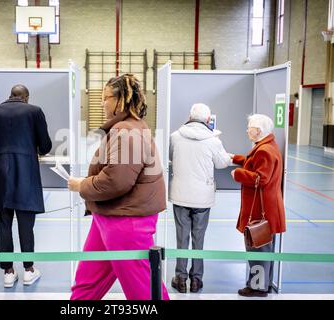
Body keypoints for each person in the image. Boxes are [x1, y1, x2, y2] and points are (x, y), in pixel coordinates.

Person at [67, 74, 170, 300]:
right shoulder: (126, 129)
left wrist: (81, 185)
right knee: (87, 284)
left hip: (126, 221)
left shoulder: (127, 132)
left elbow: (117, 181)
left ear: (121, 100)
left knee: (143, 290)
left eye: (106, 98)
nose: (102, 103)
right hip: (109, 216)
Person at [0, 85, 52, 288]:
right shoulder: (35, 111)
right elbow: (46, 146)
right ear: (26, 97)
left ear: (10, 96)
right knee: (26, 223)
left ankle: (8, 272)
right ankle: (29, 270)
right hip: (25, 172)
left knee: (4, 223)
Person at [169, 103, 232, 293]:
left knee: (182, 238)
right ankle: (196, 280)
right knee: (199, 238)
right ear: (207, 120)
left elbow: (170, 157)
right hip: (202, 198)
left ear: (190, 116)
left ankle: (180, 279)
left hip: (180, 195)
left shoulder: (175, 136)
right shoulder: (213, 140)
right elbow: (222, 164)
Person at [230, 114, 286, 297]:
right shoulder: (267, 146)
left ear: (259, 131)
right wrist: (236, 158)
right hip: (268, 209)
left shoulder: (264, 151)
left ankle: (257, 287)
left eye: (250, 127)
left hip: (259, 212)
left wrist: (238, 173)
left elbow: (261, 178)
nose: (247, 130)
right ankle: (264, 284)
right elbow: (254, 165)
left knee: (257, 249)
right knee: (264, 249)